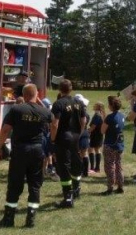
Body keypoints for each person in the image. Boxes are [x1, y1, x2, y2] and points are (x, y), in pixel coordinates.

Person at [0, 84, 52, 228]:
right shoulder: (44, 111)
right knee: (35, 185)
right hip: (37, 151)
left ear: (24, 95)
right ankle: (30, 219)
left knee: (14, 184)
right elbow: (53, 122)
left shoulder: (16, 109)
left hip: (20, 151)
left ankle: (8, 219)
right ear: (37, 94)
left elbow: (5, 129)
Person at [50, 79, 87, 208]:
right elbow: (84, 120)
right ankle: (76, 190)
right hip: (75, 137)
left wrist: (53, 139)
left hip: (63, 138)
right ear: (71, 89)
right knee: (76, 163)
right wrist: (79, 133)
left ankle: (67, 197)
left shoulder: (58, 104)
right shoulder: (79, 103)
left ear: (60, 89)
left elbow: (55, 124)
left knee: (63, 167)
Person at [100, 96, 125, 195]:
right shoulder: (122, 116)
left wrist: (104, 120)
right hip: (119, 144)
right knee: (119, 165)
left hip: (110, 144)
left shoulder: (109, 117)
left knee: (109, 166)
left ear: (111, 106)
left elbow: (102, 131)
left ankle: (110, 187)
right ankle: (120, 186)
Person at [74, 94, 91, 177]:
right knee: (85, 154)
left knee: (79, 154)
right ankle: (85, 172)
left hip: (78, 133)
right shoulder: (86, 113)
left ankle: (80, 171)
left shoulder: (76, 113)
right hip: (85, 133)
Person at [88, 102, 105, 173]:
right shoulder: (101, 114)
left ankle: (94, 167)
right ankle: (96, 168)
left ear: (98, 107)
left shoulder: (97, 115)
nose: (93, 106)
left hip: (95, 134)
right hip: (99, 134)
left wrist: (87, 132)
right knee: (96, 149)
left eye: (95, 105)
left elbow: (93, 126)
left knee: (92, 149)